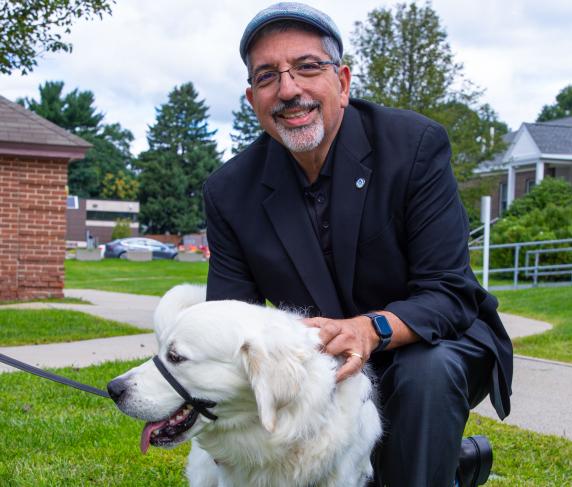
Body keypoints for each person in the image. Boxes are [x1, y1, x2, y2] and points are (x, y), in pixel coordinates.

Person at [204, 3, 513, 486]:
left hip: (432, 342)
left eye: (308, 67)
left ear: (343, 82)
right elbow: (228, 320)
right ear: (252, 99)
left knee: (422, 374)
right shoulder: (228, 191)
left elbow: (450, 292)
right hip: (322, 361)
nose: (289, 90)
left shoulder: (414, 145)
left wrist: (370, 330)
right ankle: (450, 464)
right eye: (268, 77)